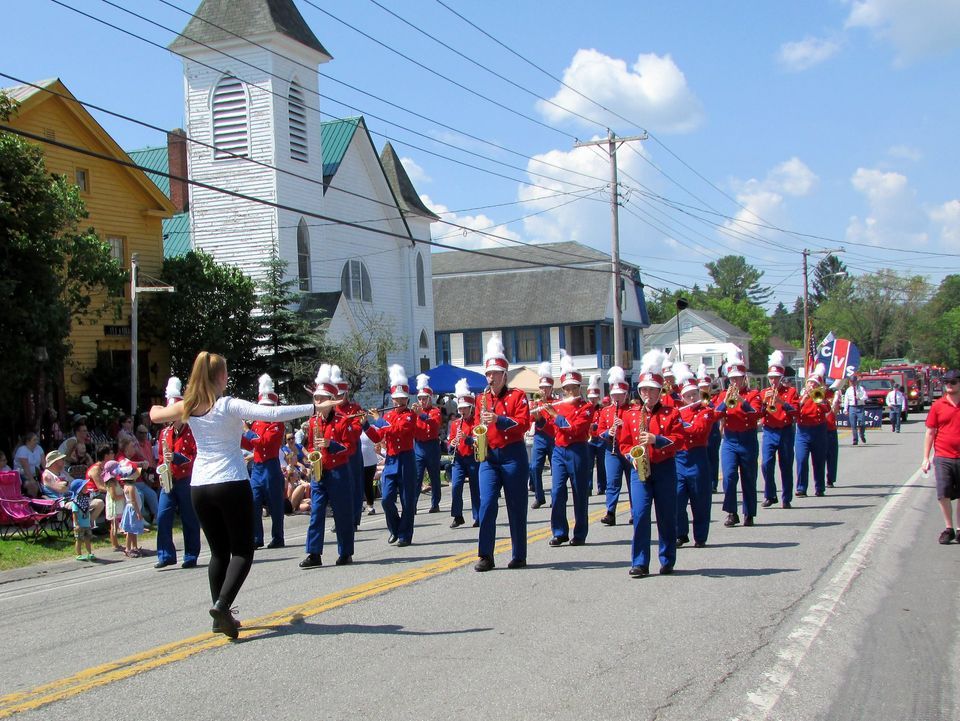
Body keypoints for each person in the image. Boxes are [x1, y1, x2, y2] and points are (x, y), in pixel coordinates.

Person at [149, 351, 316, 639]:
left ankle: (220, 616)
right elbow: (273, 413)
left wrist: (172, 407)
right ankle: (222, 605)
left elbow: (154, 414)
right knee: (242, 551)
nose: (228, 377)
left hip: (199, 487)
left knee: (218, 553)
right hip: (230, 482)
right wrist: (314, 407)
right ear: (218, 377)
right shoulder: (227, 405)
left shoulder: (190, 406)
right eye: (225, 373)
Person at [616, 349, 684, 577]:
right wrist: (632, 457)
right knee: (641, 515)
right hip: (640, 470)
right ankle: (640, 562)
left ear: (659, 391)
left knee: (666, 516)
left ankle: (667, 559)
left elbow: (679, 441)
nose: (647, 394)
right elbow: (624, 443)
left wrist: (656, 440)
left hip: (664, 468)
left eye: (652, 390)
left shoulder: (671, 413)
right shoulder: (631, 415)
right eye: (644, 390)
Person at [474, 335, 530, 572]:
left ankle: (519, 554)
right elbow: (477, 426)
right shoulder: (481, 399)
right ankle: (486, 554)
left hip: (513, 454)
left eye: (495, 373)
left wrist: (499, 419)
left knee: (516, 506)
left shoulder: (517, 396)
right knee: (486, 504)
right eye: (488, 374)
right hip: (489, 457)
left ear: (505, 375)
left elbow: (524, 423)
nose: (491, 378)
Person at [300, 364, 356, 568]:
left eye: (322, 398)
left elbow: (349, 448)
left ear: (332, 402)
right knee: (316, 513)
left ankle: (345, 552)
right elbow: (309, 446)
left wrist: (331, 445)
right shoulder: (313, 421)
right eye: (316, 398)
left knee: (342, 513)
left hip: (338, 472)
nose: (318, 401)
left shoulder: (342, 421)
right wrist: (309, 457)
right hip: (319, 472)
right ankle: (314, 553)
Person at [542, 351, 595, 547]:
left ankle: (580, 533)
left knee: (579, 492)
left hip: (577, 449)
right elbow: (550, 428)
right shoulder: (559, 405)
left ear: (579, 388)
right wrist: (541, 419)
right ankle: (559, 531)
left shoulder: (587, 407)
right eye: (567, 389)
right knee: (556, 491)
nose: (570, 393)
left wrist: (554, 415)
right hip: (559, 450)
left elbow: (574, 429)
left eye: (574, 388)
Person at [362, 365, 418, 547]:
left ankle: (405, 535)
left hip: (406, 459)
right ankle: (395, 528)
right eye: (395, 399)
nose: (397, 402)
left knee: (408, 501)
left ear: (406, 399)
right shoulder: (390, 416)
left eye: (401, 399)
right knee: (386, 499)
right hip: (392, 460)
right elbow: (378, 436)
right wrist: (365, 425)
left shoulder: (410, 416)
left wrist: (379, 419)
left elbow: (398, 431)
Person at [155, 377, 202, 570]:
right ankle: (166, 555)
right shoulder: (165, 433)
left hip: (186, 479)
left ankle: (191, 555)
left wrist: (178, 457)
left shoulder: (192, 431)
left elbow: (196, 456)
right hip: (169, 479)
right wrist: (160, 469)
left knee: (189, 518)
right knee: (162, 516)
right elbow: (160, 456)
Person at [674, 363, 717, 547]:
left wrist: (680, 425)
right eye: (688, 395)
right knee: (677, 498)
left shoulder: (706, 412)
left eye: (694, 395)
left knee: (700, 500)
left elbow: (699, 430)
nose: (692, 398)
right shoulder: (676, 412)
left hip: (697, 457)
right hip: (679, 458)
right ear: (682, 397)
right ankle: (680, 533)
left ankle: (700, 536)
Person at [717, 348, 761, 527]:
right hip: (729, 439)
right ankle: (731, 512)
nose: (734, 382)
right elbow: (715, 414)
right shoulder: (723, 395)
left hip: (748, 439)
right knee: (728, 476)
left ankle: (749, 513)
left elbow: (756, 413)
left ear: (744, 378)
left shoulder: (753, 395)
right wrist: (724, 401)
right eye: (732, 379)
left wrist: (742, 402)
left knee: (749, 477)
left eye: (737, 378)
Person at [247, 374, 287, 550]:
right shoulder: (256, 424)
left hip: (271, 465)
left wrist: (247, 432)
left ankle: (278, 537)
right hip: (257, 466)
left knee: (275, 504)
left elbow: (264, 442)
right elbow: (249, 443)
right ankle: (257, 537)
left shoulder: (277, 424)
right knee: (254, 501)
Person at [921, 369, 960, 545]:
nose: (949, 386)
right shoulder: (938, 405)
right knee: (943, 492)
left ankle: (959, 529)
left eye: (953, 382)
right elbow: (930, 432)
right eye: (947, 383)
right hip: (943, 455)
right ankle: (948, 527)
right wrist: (926, 458)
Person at [760, 351, 799, 509]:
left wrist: (781, 402)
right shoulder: (764, 393)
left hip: (785, 431)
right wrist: (764, 402)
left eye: (776, 377)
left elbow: (796, 411)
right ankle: (770, 495)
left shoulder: (790, 392)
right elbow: (758, 413)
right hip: (769, 430)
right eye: (771, 378)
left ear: (781, 378)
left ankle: (786, 497)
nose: (773, 381)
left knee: (786, 464)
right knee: (766, 464)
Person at [597, 365, 633, 526]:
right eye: (614, 395)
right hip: (611, 450)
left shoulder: (634, 410)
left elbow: (639, 429)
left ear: (626, 395)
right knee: (612, 481)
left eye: (620, 395)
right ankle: (610, 512)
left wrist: (624, 425)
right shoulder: (606, 411)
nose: (617, 398)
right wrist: (608, 433)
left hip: (629, 450)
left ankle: (635, 511)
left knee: (633, 482)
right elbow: (599, 431)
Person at [332, 366, 365, 529]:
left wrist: (345, 427)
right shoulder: (331, 410)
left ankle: (353, 519)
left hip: (351, 450)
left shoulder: (355, 409)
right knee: (337, 486)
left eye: (340, 395)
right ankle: (339, 519)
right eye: (336, 395)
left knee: (354, 485)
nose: (338, 398)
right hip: (336, 451)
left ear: (346, 394)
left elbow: (356, 431)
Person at [447, 378, 480, 529]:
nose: (461, 411)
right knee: (456, 487)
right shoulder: (455, 424)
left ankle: (478, 516)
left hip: (473, 458)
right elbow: (451, 440)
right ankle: (457, 515)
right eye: (460, 409)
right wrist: (452, 443)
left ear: (471, 407)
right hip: (459, 458)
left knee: (475, 487)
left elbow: (479, 441)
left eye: (465, 408)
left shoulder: (476, 423)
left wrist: (467, 439)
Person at [795, 365, 830, 498]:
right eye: (810, 382)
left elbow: (827, 409)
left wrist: (818, 398)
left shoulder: (820, 395)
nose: (811, 385)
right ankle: (801, 487)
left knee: (819, 460)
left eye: (814, 383)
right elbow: (795, 409)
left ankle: (819, 487)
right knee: (802, 459)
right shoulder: (801, 395)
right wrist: (804, 398)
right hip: (803, 431)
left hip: (818, 430)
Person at [413, 373, 443, 513]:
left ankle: (435, 503)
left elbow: (434, 424)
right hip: (419, 446)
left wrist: (422, 415)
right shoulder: (415, 413)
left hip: (431, 446)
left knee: (434, 476)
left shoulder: (435, 411)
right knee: (417, 477)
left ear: (430, 399)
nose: (422, 401)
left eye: (424, 399)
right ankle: (413, 505)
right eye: (419, 398)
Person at [528, 362, 556, 510]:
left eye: (546, 387)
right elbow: (529, 420)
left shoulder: (556, 402)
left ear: (551, 388)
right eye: (541, 388)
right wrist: (534, 413)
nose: (543, 390)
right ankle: (539, 497)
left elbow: (554, 422)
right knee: (534, 467)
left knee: (556, 469)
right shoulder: (535, 403)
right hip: (539, 438)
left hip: (552, 438)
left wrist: (545, 407)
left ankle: (556, 497)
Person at [117, 437, 159, 527]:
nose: (134, 448)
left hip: (140, 482)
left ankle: (157, 517)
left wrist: (144, 462)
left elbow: (145, 462)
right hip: (128, 483)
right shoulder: (120, 456)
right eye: (132, 446)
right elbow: (126, 464)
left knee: (152, 494)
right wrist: (140, 464)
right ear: (126, 448)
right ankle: (141, 518)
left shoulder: (135, 455)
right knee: (139, 495)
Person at [585, 374, 607, 497]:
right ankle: (588, 487)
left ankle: (602, 486)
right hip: (589, 440)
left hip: (600, 439)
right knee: (588, 464)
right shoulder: (585, 409)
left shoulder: (602, 409)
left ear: (598, 397)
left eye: (595, 397)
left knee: (601, 465)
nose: (593, 400)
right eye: (591, 397)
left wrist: (596, 426)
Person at [118, 462, 145, 558]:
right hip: (133, 509)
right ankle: (128, 548)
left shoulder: (126, 486)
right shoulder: (132, 487)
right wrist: (138, 513)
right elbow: (133, 501)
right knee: (130, 530)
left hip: (130, 508)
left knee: (133, 530)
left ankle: (134, 547)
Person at [68, 486, 95, 561]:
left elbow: (88, 512)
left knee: (87, 538)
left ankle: (89, 553)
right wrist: (76, 524)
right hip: (79, 525)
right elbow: (74, 514)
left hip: (86, 524)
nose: (86, 488)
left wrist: (90, 521)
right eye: (84, 487)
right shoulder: (75, 502)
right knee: (79, 540)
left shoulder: (85, 500)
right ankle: (79, 554)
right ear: (79, 490)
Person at [103, 460, 125, 552]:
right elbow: (113, 496)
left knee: (115, 525)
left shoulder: (115, 480)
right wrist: (123, 495)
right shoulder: (111, 482)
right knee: (114, 526)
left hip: (118, 506)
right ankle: (115, 544)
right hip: (113, 507)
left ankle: (116, 543)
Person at [14, 433, 44, 497]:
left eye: (37, 439)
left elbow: (44, 463)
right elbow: (26, 468)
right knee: (32, 485)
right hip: (23, 475)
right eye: (34, 440)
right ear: (28, 441)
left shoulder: (39, 448)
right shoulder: (22, 450)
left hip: (36, 474)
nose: (37, 441)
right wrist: (32, 480)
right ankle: (34, 503)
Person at [843, 374, 869, 445]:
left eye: (854, 381)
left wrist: (860, 398)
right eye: (852, 381)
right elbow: (846, 400)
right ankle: (855, 440)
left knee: (862, 423)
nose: (853, 383)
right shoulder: (848, 390)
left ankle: (862, 434)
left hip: (860, 407)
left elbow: (865, 396)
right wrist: (845, 409)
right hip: (852, 407)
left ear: (856, 381)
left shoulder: (861, 388)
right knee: (853, 425)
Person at [359, 429, 380, 515]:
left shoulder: (372, 428)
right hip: (358, 462)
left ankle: (370, 506)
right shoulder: (354, 429)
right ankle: (358, 505)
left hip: (370, 461)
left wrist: (377, 446)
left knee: (368, 484)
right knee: (357, 485)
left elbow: (378, 440)